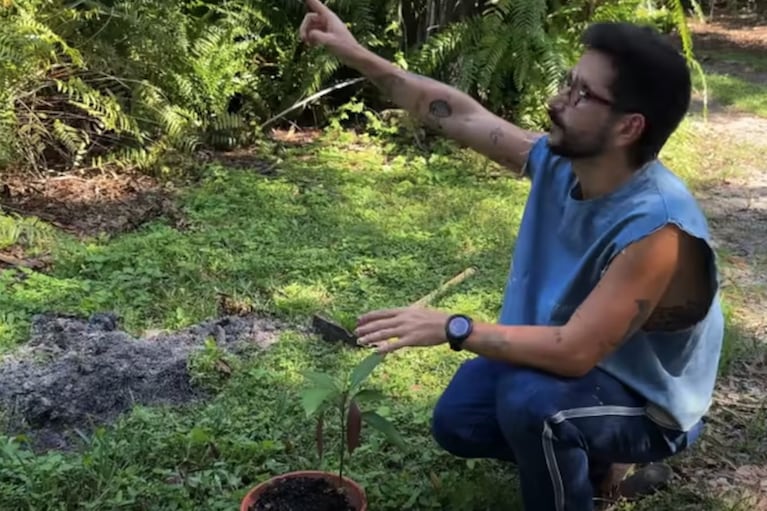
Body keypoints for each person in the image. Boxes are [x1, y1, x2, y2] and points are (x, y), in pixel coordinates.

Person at [299, 1, 725, 510]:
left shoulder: (659, 230)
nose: (555, 100)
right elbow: (459, 113)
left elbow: (574, 350)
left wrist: (454, 327)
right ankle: (595, 465)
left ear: (629, 127)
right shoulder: (560, 164)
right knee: (458, 420)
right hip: (579, 367)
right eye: (568, 82)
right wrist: (355, 53)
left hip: (646, 404)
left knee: (534, 406)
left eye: (580, 94)